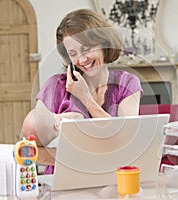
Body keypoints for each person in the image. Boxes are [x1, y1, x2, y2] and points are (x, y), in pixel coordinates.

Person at [21, 9, 143, 174]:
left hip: (110, 178)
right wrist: (83, 161)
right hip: (64, 179)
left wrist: (85, 98)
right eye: (73, 53)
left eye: (86, 49)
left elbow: (124, 141)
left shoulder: (127, 84)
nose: (82, 59)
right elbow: (29, 147)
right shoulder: (55, 86)